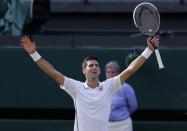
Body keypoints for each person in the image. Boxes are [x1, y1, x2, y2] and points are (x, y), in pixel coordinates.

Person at [20, 35, 160, 131]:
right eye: (90, 65)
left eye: (96, 66)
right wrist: (34, 54)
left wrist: (149, 50)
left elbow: (130, 70)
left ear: (99, 71)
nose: (94, 67)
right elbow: (52, 72)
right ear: (84, 71)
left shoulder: (109, 86)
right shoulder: (75, 87)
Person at [105, 61, 138, 131]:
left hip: (123, 124)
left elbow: (133, 106)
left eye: (113, 72)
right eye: (108, 72)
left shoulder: (127, 88)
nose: (110, 74)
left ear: (118, 74)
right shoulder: (101, 87)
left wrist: (122, 115)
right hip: (106, 125)